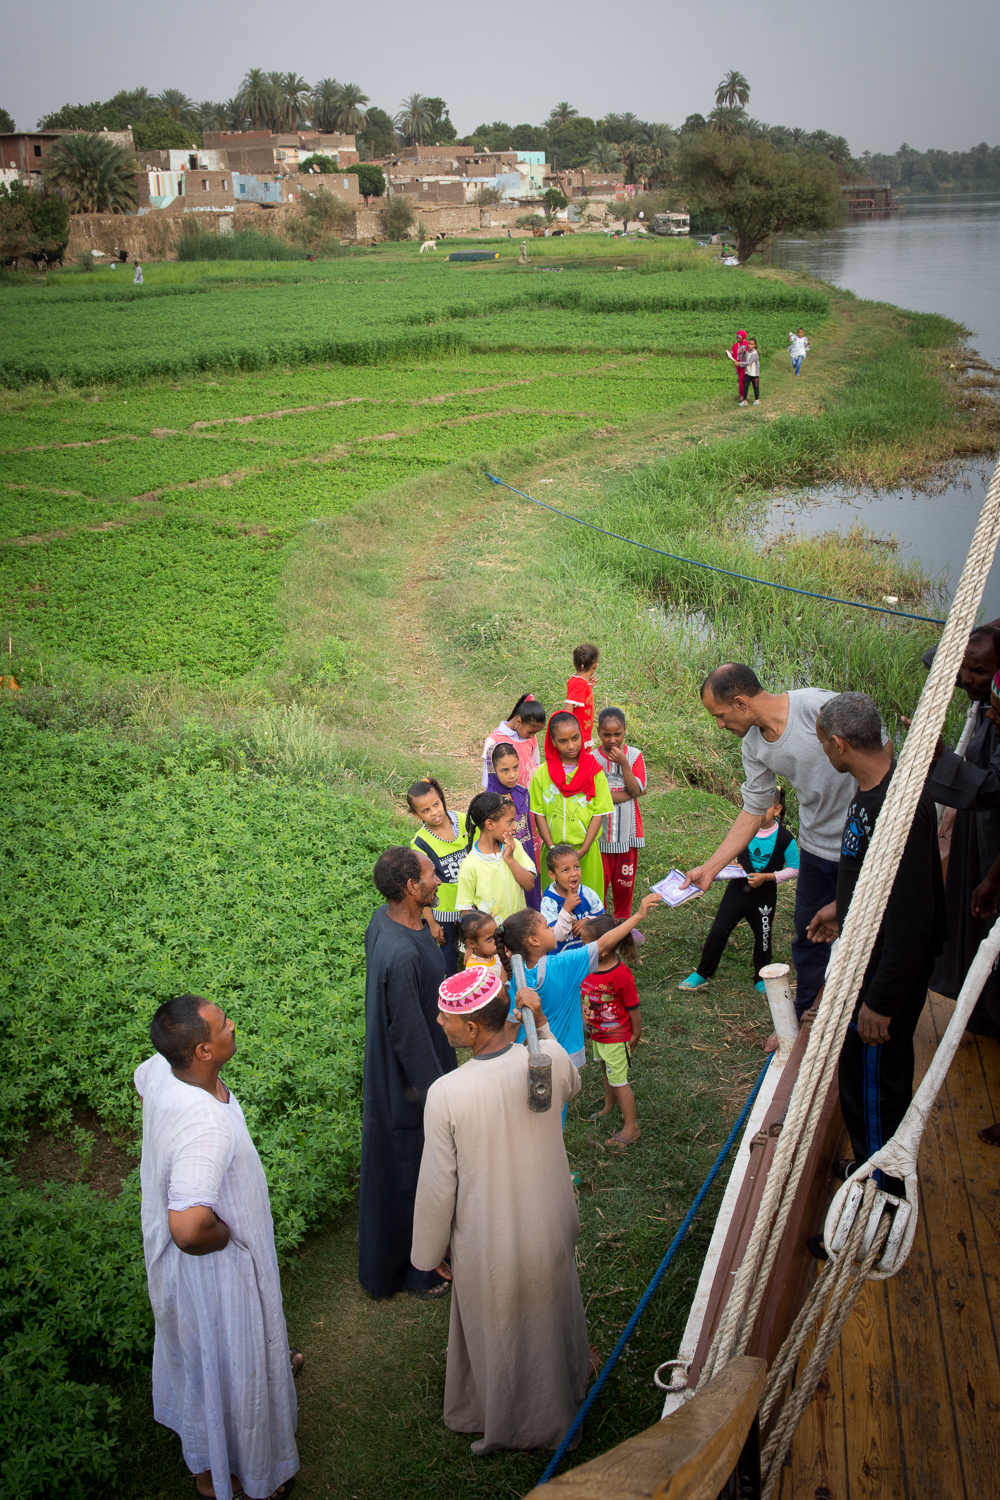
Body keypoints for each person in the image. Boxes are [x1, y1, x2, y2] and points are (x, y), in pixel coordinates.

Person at [411, 968, 591, 1455]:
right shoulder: (546, 1057)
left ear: (471, 1029)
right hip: (549, 1220)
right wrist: (544, 1024)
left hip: (488, 1234)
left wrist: (428, 1252)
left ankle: (512, 1418)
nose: (438, 1021)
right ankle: (563, 1395)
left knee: (502, 1326)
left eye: (446, 1017)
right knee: (549, 1312)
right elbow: (569, 1083)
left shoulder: (447, 1092)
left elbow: (436, 1185)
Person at [135, 995, 299, 1500]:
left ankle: (209, 1464)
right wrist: (227, 1234)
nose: (234, 1025)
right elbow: (188, 1229)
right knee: (230, 1360)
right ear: (203, 1051)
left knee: (204, 1357)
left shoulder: (166, 1070)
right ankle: (242, 1478)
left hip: (184, 1271)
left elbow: (141, 1082)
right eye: (224, 1024)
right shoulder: (203, 1124)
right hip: (215, 1269)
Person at [807, 693, 945, 1200]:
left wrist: (880, 1002)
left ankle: (879, 1201)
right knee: (867, 1080)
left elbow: (913, 917)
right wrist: (843, 909)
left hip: (883, 975)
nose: (824, 751)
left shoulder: (896, 809)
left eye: (824, 743)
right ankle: (871, 1170)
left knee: (873, 1087)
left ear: (840, 744)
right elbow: (882, 881)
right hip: (874, 956)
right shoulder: (883, 790)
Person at [684, 664, 873, 1018]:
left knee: (865, 936)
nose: (719, 725)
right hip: (816, 848)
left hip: (864, 846)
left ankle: (860, 1015)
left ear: (740, 703)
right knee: (809, 935)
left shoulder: (817, 707)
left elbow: (880, 752)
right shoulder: (753, 745)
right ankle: (806, 1018)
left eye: (720, 715)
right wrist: (710, 868)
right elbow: (754, 810)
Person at [360, 846, 455, 1300]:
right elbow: (411, 1036)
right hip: (410, 1083)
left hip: (406, 1069)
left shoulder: (387, 919)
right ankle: (418, 1268)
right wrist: (440, 1097)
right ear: (411, 888)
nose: (438, 878)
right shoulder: (401, 956)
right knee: (415, 1174)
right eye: (431, 875)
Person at [922, 627, 1000, 1072]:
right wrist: (971, 646)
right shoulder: (989, 703)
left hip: (994, 830)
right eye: (964, 667)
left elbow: (994, 787)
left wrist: (942, 761)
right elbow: (936, 659)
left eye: (979, 671)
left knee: (989, 923)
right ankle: (983, 1013)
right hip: (980, 825)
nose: (966, 678)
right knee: (972, 920)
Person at [498, 895, 661, 1072]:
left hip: (526, 1057)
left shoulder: (515, 973)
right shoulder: (563, 965)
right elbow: (604, 944)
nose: (552, 930)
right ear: (534, 940)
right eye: (546, 927)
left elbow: (511, 1024)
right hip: (562, 1055)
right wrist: (637, 916)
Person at [679, 788, 799, 993]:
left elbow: (795, 868)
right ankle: (702, 973)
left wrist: (767, 878)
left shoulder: (785, 838)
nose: (759, 810)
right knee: (718, 931)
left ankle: (761, 976)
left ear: (777, 809)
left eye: (766, 806)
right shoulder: (744, 831)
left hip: (764, 897)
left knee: (763, 936)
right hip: (736, 892)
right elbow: (730, 853)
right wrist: (734, 863)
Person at [530, 711, 614, 902]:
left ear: (581, 735)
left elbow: (598, 814)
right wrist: (552, 848)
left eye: (575, 738)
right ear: (553, 741)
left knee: (588, 908)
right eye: (563, 741)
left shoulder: (594, 771)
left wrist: (582, 850)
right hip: (553, 855)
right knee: (555, 909)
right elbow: (539, 814)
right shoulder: (542, 774)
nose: (571, 746)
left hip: (585, 854)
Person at [580, 913, 643, 1147]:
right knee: (605, 1069)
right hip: (598, 1034)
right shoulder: (587, 966)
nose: (583, 948)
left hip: (617, 1037)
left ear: (604, 949)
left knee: (619, 1080)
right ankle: (609, 1106)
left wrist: (636, 1033)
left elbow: (633, 1006)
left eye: (587, 944)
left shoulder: (621, 975)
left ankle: (631, 1128)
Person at [592, 707, 647, 928]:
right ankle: (600, 925)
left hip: (627, 832)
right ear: (598, 732)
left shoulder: (634, 756)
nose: (612, 740)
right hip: (600, 834)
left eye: (618, 734)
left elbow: (637, 788)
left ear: (625, 730)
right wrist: (627, 794)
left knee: (625, 883)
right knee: (600, 882)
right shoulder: (592, 758)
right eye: (607, 734)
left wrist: (624, 763)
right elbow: (593, 795)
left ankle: (623, 924)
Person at [407, 777, 468, 975]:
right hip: (444, 910)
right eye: (425, 810)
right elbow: (423, 886)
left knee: (477, 946)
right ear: (417, 815)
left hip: (472, 901)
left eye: (436, 804)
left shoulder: (462, 820)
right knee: (448, 954)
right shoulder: (420, 843)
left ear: (442, 800)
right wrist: (432, 923)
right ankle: (452, 993)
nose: (434, 812)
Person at [456, 791, 537, 922]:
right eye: (510, 822)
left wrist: (510, 859)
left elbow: (529, 885)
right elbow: (465, 913)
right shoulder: (470, 865)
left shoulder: (514, 846)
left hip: (519, 931)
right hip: (493, 938)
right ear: (490, 824)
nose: (515, 827)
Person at [487, 742, 541, 909]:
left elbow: (528, 830)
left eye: (516, 768)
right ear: (492, 771)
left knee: (530, 899)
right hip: (505, 856)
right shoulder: (489, 800)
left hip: (525, 852)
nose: (512, 775)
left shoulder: (523, 793)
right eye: (505, 770)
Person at [540, 843, 605, 952]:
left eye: (576, 867)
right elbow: (556, 937)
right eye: (566, 870)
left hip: (588, 958)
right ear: (552, 875)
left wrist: (588, 922)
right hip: (563, 962)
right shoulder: (549, 902)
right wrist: (566, 909)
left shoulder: (588, 894)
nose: (574, 873)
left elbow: (604, 920)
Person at [481, 694, 546, 788]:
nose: (532, 736)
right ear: (518, 722)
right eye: (530, 732)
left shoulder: (530, 738)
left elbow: (536, 765)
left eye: (535, 733)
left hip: (529, 795)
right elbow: (488, 780)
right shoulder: (494, 740)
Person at [564, 644, 600, 748]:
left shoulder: (578, 681)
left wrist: (589, 686)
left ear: (574, 663)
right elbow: (569, 704)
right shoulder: (580, 684)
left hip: (581, 734)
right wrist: (568, 728)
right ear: (595, 665)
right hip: (578, 735)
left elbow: (578, 701)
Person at [460, 909, 509, 981]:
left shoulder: (491, 955)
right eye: (489, 939)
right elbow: (499, 990)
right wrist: (505, 966)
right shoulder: (476, 971)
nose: (497, 940)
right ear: (471, 944)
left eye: (496, 934)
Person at [726, 330, 748, 403]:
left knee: (742, 378)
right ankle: (741, 394)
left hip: (744, 364)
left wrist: (744, 352)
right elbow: (732, 353)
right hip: (737, 365)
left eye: (740, 338)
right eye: (737, 337)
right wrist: (729, 354)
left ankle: (743, 395)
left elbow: (749, 353)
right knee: (740, 379)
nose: (738, 339)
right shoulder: (735, 345)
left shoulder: (747, 344)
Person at [738, 338, 760, 406]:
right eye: (749, 344)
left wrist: (739, 364)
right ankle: (745, 401)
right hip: (748, 372)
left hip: (754, 374)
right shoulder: (747, 352)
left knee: (755, 387)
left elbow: (749, 362)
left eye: (751, 344)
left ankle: (757, 400)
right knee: (745, 386)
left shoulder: (754, 353)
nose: (750, 345)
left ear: (755, 345)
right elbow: (745, 361)